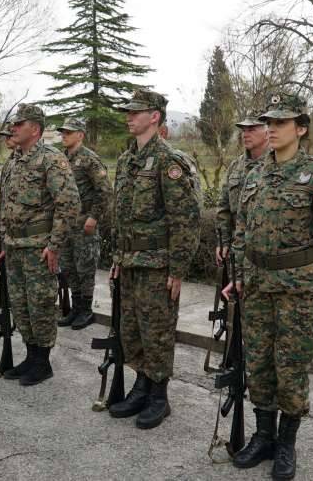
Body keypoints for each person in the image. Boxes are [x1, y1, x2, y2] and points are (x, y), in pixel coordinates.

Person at [231, 93, 313, 479]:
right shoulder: (255, 174)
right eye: (269, 122)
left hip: (298, 291)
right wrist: (238, 275)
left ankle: (286, 444)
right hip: (257, 287)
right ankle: (264, 435)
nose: (271, 128)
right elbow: (242, 229)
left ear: (300, 128)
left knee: (291, 367)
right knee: (259, 363)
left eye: (280, 122)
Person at [108, 89, 201, 430]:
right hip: (129, 262)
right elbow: (120, 216)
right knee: (131, 330)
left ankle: (159, 396)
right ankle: (141, 385)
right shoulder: (126, 161)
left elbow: (185, 219)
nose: (129, 117)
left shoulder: (168, 161)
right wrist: (117, 257)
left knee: (156, 332)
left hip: (157, 265)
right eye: (128, 112)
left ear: (155, 117)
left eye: (136, 112)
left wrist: (178, 269)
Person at [0, 103, 80, 386]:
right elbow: (4, 205)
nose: (14, 128)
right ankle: (31, 356)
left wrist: (54, 245)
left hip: (38, 247)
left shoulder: (51, 159)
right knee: (20, 305)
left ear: (35, 129)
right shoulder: (13, 161)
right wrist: (3, 241)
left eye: (19, 124)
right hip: (14, 245)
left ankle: (42, 362)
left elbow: (69, 204)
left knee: (40, 304)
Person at [55, 117, 112, 330]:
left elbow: (105, 191)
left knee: (85, 268)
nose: (64, 135)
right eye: (63, 132)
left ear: (80, 135)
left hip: (84, 224)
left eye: (69, 132)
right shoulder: (61, 159)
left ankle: (86, 310)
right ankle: (76, 308)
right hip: (66, 225)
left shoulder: (89, 159)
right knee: (69, 267)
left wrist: (94, 217)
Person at [216, 111, 269, 263]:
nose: (245, 134)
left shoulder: (277, 164)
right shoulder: (235, 166)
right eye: (244, 130)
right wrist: (223, 242)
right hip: (236, 249)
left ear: (267, 132)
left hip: (265, 251)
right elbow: (223, 207)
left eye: (252, 129)